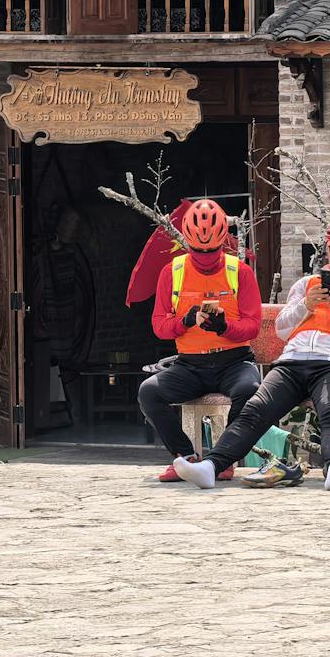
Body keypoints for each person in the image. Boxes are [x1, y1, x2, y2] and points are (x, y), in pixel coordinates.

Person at [171, 213, 330, 492]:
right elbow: (281, 329)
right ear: (326, 248)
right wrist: (305, 306)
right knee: (254, 409)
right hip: (292, 362)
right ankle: (210, 467)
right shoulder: (306, 285)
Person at [137, 199, 263, 483]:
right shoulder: (172, 272)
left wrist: (224, 327)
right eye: (197, 250)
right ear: (187, 243)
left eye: (212, 250)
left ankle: (223, 460)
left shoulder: (239, 271)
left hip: (234, 361)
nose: (205, 256)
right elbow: (159, 327)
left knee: (250, 389)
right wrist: (184, 321)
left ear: (222, 243)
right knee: (149, 391)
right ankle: (185, 458)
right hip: (190, 365)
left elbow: (252, 326)